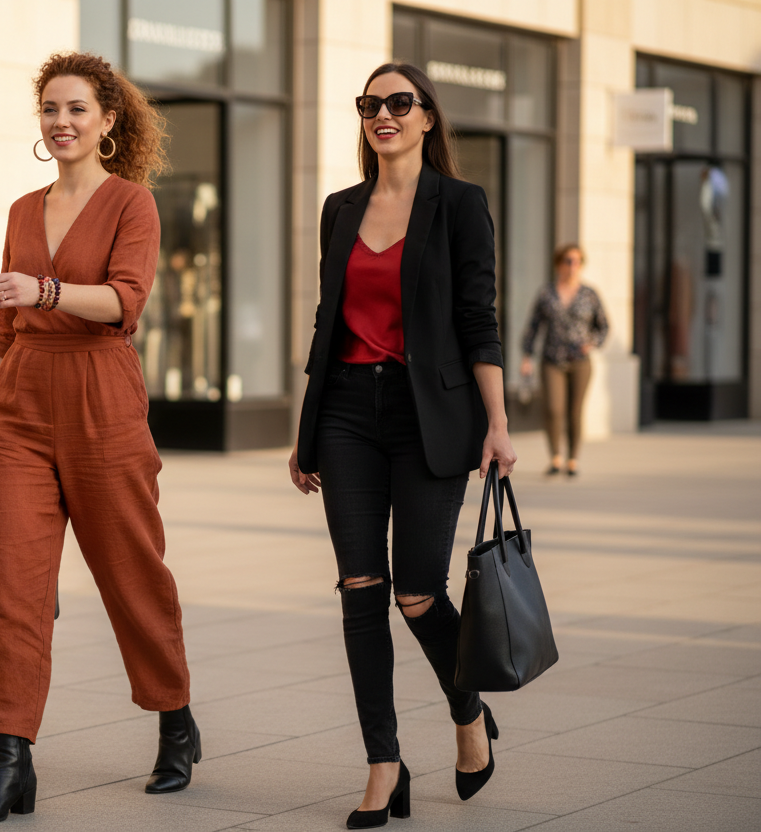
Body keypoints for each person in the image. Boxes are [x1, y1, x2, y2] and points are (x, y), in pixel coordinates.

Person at [0, 52, 199, 825]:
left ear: (107, 121)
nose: (60, 123)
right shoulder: (20, 210)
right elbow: (6, 332)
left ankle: (175, 719)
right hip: (21, 407)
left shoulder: (132, 204)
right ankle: (11, 760)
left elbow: (125, 303)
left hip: (102, 400)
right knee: (14, 591)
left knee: (131, 573)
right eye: (50, 109)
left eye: (76, 110)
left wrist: (46, 289)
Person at [288, 62, 516, 829]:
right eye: (369, 104)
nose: (381, 113)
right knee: (360, 588)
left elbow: (479, 319)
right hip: (347, 413)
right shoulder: (340, 208)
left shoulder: (460, 204)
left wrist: (497, 423)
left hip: (429, 416)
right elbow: (326, 323)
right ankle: (383, 763)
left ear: (426, 116)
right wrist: (306, 430)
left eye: (398, 102)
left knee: (419, 594)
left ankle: (467, 712)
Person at [519, 244, 609, 477]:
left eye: (577, 261)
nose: (573, 266)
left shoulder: (589, 294)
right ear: (559, 263)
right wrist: (527, 356)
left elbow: (604, 326)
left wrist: (592, 342)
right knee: (553, 408)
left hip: (580, 361)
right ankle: (555, 458)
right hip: (552, 359)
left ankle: (573, 460)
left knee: (574, 411)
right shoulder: (546, 293)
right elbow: (533, 326)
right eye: (568, 261)